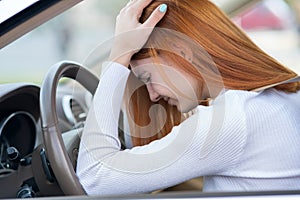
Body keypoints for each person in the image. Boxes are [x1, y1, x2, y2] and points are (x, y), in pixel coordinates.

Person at [76, 0, 300, 196]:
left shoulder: (231, 121)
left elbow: (93, 177)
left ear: (181, 52)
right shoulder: (281, 95)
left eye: (147, 78)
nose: (152, 96)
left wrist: (119, 55)